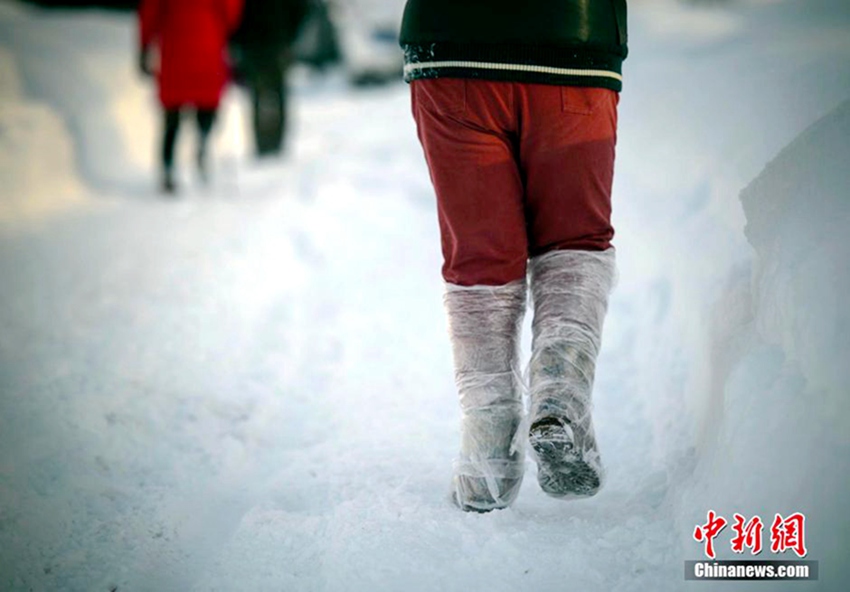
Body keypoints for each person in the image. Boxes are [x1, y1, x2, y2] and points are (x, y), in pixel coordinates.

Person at [400, 0, 628, 512]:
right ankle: (560, 393)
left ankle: (487, 456)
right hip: (574, 43)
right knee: (574, 239)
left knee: (480, 256)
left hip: (449, 47)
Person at [138, 0, 244, 193]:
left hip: (174, 48)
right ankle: (202, 143)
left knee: (171, 117)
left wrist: (144, 44)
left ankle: (168, 168)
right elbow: (231, 12)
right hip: (208, 44)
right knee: (207, 105)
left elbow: (150, 11)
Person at [230, 0, 310, 157]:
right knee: (274, 94)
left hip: (257, 45)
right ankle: (274, 143)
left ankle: (265, 143)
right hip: (273, 43)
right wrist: (290, 35)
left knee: (261, 95)